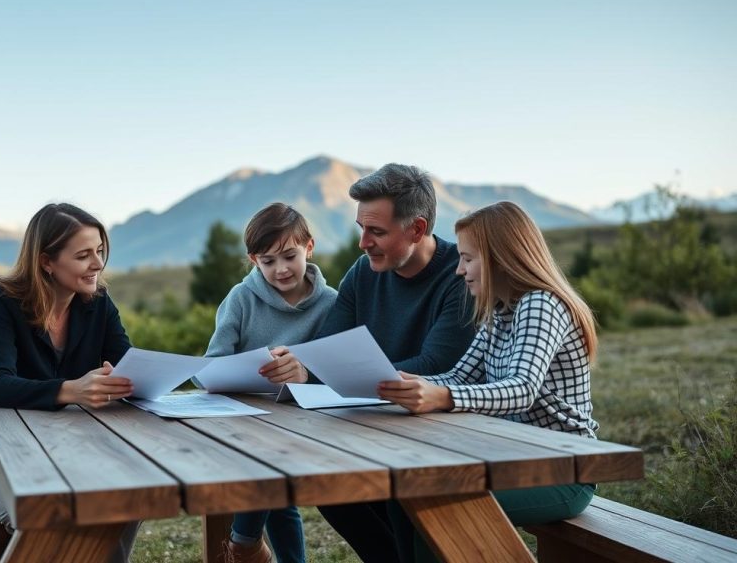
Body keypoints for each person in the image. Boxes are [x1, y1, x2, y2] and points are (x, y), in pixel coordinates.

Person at [378, 200, 599, 563]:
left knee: (436, 507)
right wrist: (399, 382)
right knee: (407, 495)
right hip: (516, 459)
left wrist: (443, 396)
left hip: (565, 470)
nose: (459, 270)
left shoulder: (541, 304)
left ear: (500, 257)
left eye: (468, 258)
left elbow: (522, 389)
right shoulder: (500, 312)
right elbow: (459, 376)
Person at [312, 163, 476, 563]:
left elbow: (436, 365)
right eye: (361, 228)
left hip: (441, 435)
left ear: (417, 230)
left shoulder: (462, 275)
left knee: (392, 495)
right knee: (325, 485)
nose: (363, 242)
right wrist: (300, 367)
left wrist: (341, 373)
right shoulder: (364, 272)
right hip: (376, 425)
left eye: (377, 232)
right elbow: (327, 347)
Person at [0, 203, 138, 563]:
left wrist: (132, 380)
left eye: (100, 251)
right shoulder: (3, 301)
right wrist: (72, 389)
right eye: (84, 255)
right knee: (75, 521)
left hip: (72, 454)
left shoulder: (99, 302)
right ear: (46, 262)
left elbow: (127, 366)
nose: (98, 264)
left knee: (130, 495)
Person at [205, 202, 338, 563]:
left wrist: (305, 370)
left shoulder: (331, 303)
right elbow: (214, 363)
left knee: (279, 481)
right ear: (253, 260)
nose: (280, 269)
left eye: (289, 256)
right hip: (245, 416)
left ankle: (243, 543)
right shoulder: (241, 299)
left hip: (305, 417)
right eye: (268, 261)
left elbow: (338, 368)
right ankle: (247, 544)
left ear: (309, 247)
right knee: (276, 482)